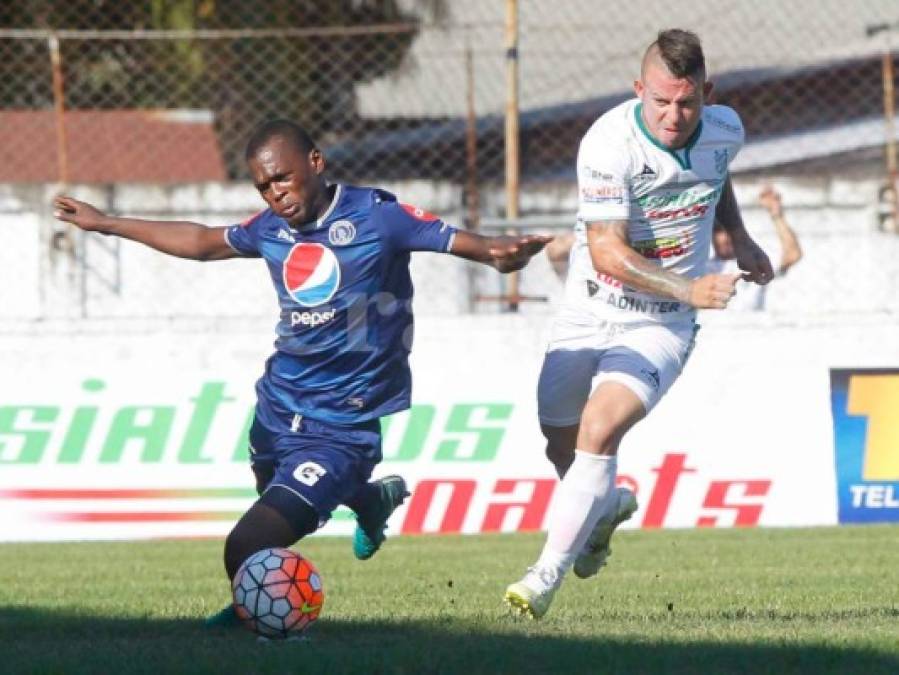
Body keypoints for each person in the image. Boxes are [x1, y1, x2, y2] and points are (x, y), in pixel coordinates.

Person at [53, 119, 551, 627]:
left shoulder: (377, 216)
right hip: (277, 408)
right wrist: (106, 222)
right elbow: (202, 242)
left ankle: (265, 613)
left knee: (246, 544)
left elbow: (468, 242)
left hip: (342, 429)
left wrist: (498, 253)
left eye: (283, 179)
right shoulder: (271, 230)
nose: (276, 195)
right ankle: (369, 500)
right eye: (264, 187)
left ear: (316, 162)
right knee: (265, 502)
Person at [504, 29, 773, 619]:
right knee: (561, 441)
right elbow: (605, 250)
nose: (673, 116)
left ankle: (543, 576)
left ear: (707, 92)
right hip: (591, 308)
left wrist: (743, 239)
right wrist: (691, 285)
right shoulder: (608, 143)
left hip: (663, 324)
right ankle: (604, 511)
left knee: (599, 431)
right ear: (637, 91)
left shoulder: (726, 128)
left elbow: (717, 174)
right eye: (660, 101)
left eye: (686, 102)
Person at [707, 184, 802, 310]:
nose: (725, 238)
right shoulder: (701, 268)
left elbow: (792, 254)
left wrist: (776, 215)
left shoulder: (754, 262)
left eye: (729, 232)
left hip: (752, 326)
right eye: (719, 232)